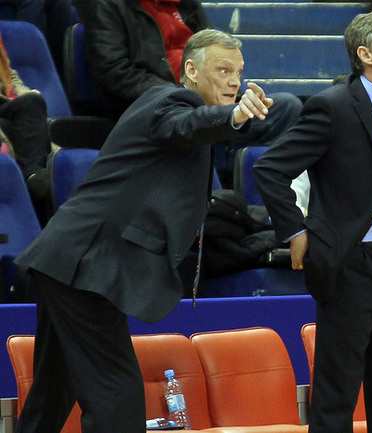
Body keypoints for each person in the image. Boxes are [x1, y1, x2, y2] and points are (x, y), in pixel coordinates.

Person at [13, 29, 273, 433]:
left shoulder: (178, 110)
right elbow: (186, 125)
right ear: (191, 70)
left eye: (238, 72)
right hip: (86, 265)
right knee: (117, 396)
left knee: (53, 393)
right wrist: (235, 117)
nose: (234, 81)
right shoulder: (169, 101)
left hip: (71, 262)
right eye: (223, 70)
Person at [254, 10, 372, 433]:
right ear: (365, 55)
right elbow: (270, 168)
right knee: (337, 397)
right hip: (352, 262)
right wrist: (296, 231)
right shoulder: (332, 107)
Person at [74, 0, 301, 157]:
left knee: (285, 107)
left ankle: (269, 196)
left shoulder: (186, 5)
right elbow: (113, 72)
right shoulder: (110, 6)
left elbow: (217, 54)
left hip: (203, 100)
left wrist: (237, 96)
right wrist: (178, 95)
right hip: (160, 109)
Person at [0, 30, 51, 217]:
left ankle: (34, 175)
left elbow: (10, 76)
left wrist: (27, 94)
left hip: (5, 104)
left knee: (32, 102)